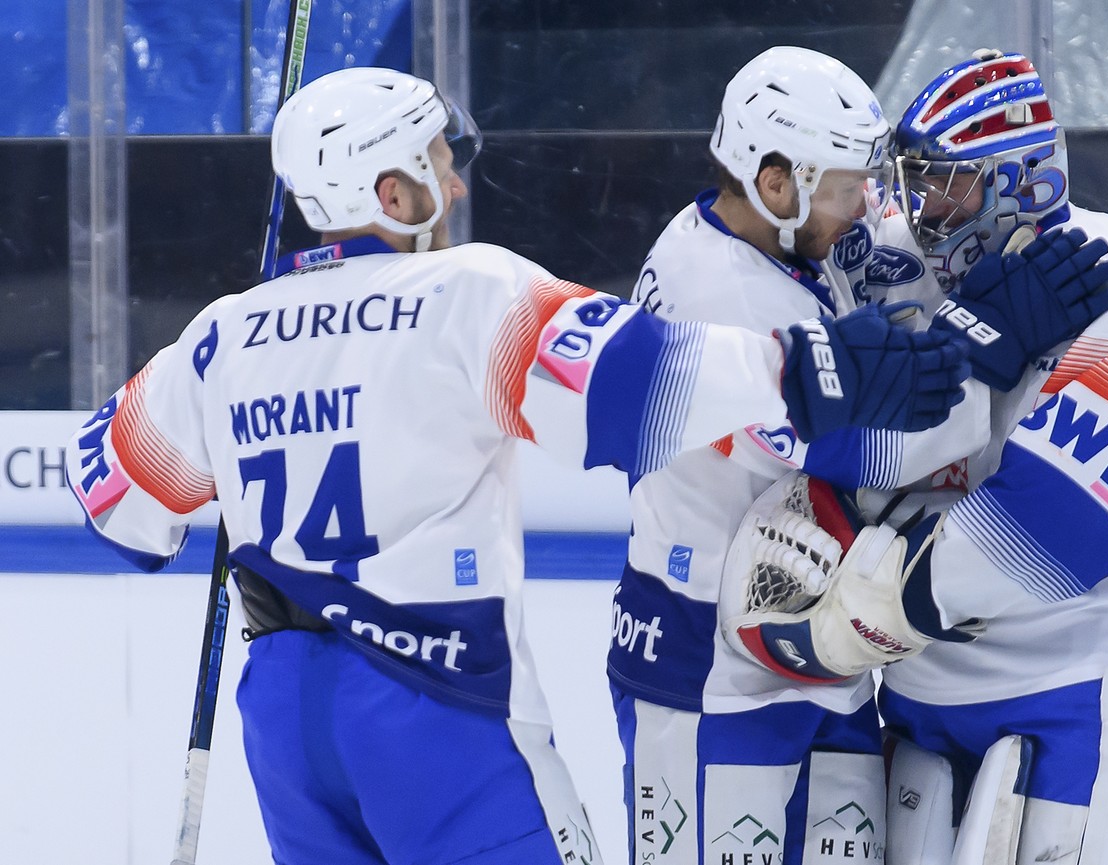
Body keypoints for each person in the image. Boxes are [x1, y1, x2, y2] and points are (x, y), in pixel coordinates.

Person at [62, 66, 975, 865]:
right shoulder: (467, 293)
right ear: (391, 192)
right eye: (435, 163)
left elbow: (117, 509)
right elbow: (639, 382)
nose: (454, 186)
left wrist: (254, 366)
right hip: (433, 700)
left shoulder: (222, 334)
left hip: (284, 720)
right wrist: (824, 371)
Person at [606, 47, 1108, 865]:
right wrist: (990, 338)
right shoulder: (726, 307)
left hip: (814, 636)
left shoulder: (780, 233)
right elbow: (878, 450)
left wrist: (1102, 248)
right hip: (707, 667)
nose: (869, 201)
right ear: (777, 182)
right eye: (849, 183)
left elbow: (906, 233)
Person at [726, 51, 1108, 865]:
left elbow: (1063, 526)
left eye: (952, 185)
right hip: (920, 697)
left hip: (1073, 690)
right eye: (916, 179)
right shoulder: (894, 255)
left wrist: (860, 615)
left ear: (1023, 184)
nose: (922, 208)